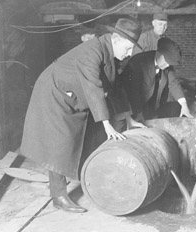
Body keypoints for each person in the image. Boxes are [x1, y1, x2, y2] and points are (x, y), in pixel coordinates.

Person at [20, 18, 142, 213]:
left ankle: (83, 176)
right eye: (128, 48)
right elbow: (94, 87)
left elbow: (115, 87)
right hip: (54, 92)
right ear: (116, 39)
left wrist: (129, 117)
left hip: (72, 94)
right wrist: (106, 123)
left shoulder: (111, 53)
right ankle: (58, 196)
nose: (129, 53)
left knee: (78, 138)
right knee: (60, 143)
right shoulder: (92, 51)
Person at [121, 37, 193, 121]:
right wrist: (138, 113)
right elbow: (133, 91)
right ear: (158, 53)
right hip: (129, 107)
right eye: (166, 62)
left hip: (151, 105)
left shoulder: (167, 64)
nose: (167, 66)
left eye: (169, 64)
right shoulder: (138, 62)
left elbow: (174, 83)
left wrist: (184, 106)